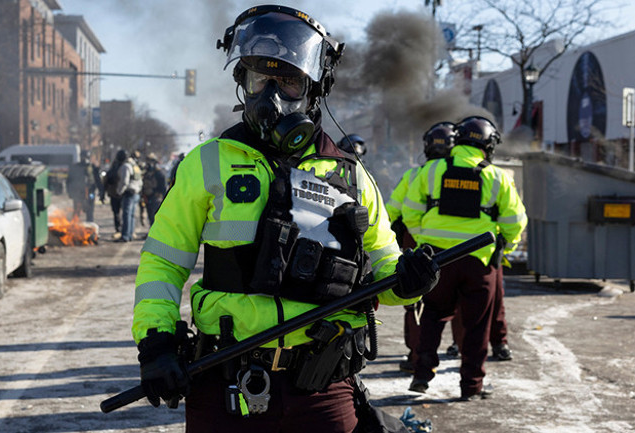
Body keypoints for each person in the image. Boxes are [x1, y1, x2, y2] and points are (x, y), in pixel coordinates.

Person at [131, 5, 441, 432]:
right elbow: (163, 261)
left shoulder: (352, 176)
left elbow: (386, 268)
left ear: (315, 89)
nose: (271, 96)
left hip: (323, 388)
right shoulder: (206, 163)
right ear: (242, 81)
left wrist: (409, 281)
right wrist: (156, 341)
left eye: (289, 81)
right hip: (225, 381)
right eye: (260, 79)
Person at [402, 115, 526, 401]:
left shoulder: (431, 170)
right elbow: (515, 221)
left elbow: (410, 211)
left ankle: (421, 375)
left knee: (432, 315)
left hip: (438, 260)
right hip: (478, 262)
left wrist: (425, 242)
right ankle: (471, 386)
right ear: (488, 145)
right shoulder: (497, 177)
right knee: (476, 326)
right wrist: (504, 248)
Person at [386, 121, 456, 373]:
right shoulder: (463, 173)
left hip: (415, 243)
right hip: (450, 246)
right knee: (457, 298)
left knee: (415, 300)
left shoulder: (414, 175)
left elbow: (392, 211)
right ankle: (459, 347)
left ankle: (415, 355)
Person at [115, 149, 143, 242]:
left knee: (126, 215)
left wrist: (119, 192)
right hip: (136, 193)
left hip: (129, 193)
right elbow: (140, 181)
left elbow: (124, 182)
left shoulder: (126, 166)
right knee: (131, 215)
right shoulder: (134, 165)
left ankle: (125, 236)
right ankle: (130, 235)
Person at [103, 150, 126, 238]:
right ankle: (121, 229)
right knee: (120, 213)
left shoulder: (121, 167)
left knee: (119, 213)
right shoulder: (122, 166)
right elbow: (107, 179)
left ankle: (121, 229)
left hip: (118, 193)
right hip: (118, 193)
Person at [66, 150, 95, 221]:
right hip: (78, 192)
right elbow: (69, 180)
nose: (84, 159)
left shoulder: (92, 167)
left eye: (86, 157)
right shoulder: (75, 167)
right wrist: (70, 192)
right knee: (77, 210)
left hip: (90, 192)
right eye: (83, 157)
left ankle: (89, 224)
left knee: (89, 210)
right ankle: (74, 224)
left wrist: (100, 191)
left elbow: (96, 180)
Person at [141, 152, 166, 226]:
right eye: (148, 161)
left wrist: (160, 196)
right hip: (147, 197)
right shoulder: (146, 172)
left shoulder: (159, 173)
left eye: (151, 161)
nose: (149, 163)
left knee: (155, 216)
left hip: (156, 197)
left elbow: (163, 187)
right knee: (150, 216)